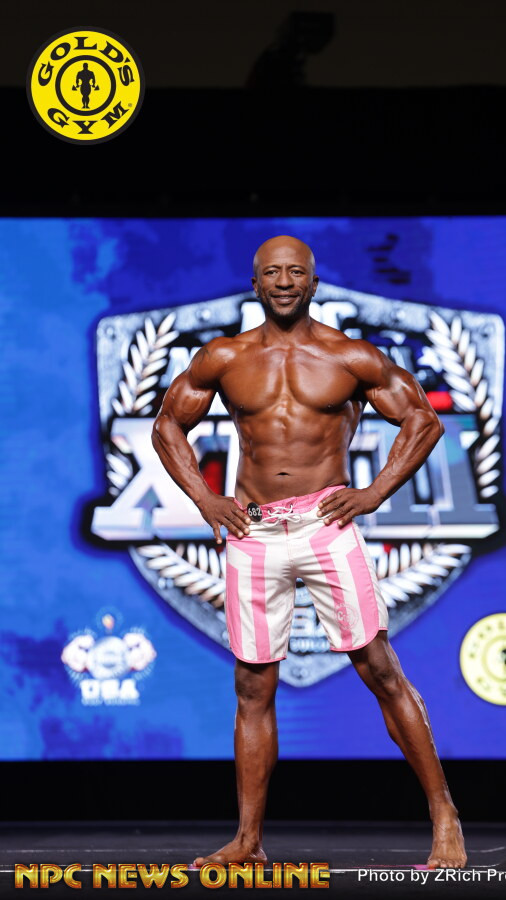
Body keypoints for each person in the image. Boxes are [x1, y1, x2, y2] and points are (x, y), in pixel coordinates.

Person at [152, 235, 467, 870]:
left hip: (325, 525)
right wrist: (205, 499)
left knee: (379, 668)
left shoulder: (350, 356)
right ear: (255, 282)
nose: (284, 281)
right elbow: (167, 426)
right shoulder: (224, 357)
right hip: (253, 531)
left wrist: (374, 492)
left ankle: (444, 815)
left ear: (314, 281)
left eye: (296, 271)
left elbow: (423, 420)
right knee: (252, 685)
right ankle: (248, 840)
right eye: (272, 272)